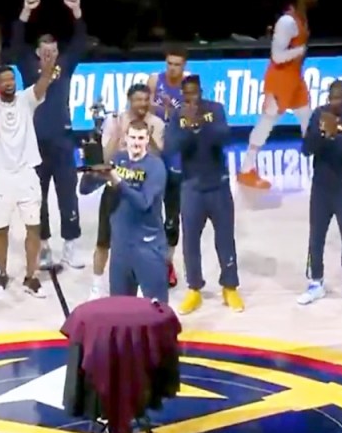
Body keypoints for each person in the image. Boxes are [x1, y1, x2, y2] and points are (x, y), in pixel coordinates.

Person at [9, 0, 87, 270]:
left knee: (68, 195)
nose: (49, 55)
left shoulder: (64, 67)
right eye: (44, 51)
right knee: (36, 197)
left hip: (63, 143)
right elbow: (16, 42)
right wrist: (24, 12)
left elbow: (80, 42)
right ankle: (43, 246)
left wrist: (77, 11)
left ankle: (70, 246)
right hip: (35, 145)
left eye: (53, 51)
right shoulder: (29, 68)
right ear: (37, 52)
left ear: (57, 52)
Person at [0, 53, 55, 296]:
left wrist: (47, 67)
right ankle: (2, 274)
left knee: (34, 227)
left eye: (11, 79)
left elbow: (43, 83)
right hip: (0, 175)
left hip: (27, 173)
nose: (9, 83)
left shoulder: (26, 100)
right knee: (1, 229)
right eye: (3, 80)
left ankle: (31, 277)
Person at [165, 75, 244, 315]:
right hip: (191, 187)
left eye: (195, 92)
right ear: (182, 94)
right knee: (190, 241)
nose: (192, 97)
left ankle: (229, 287)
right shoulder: (178, 117)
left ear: (201, 91)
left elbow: (223, 136)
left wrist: (199, 125)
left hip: (218, 185)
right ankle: (194, 289)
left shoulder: (215, 109)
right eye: (187, 93)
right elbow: (172, 146)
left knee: (225, 239)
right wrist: (188, 128)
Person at [240, 0, 319, 190]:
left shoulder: (301, 18)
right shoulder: (287, 21)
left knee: (308, 119)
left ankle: (322, 165)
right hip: (280, 80)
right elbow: (277, 56)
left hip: (295, 78)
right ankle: (246, 170)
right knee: (267, 123)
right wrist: (299, 51)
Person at [89, 84, 164, 299]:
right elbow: (106, 159)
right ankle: (97, 285)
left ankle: (140, 281)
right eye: (138, 99)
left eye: (146, 99)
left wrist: (146, 136)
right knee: (104, 241)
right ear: (130, 100)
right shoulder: (114, 122)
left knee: (141, 239)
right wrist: (118, 134)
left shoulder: (156, 123)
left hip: (143, 186)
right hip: (114, 189)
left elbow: (158, 157)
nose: (142, 103)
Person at [297, 80, 342, 313]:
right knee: (316, 236)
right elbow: (306, 149)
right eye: (331, 98)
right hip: (321, 188)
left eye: (339, 98)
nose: (334, 102)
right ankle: (315, 282)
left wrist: (335, 136)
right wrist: (321, 134)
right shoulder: (318, 115)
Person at [100, 120, 169, 302]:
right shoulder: (117, 160)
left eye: (140, 138)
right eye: (133, 137)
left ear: (147, 139)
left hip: (147, 247)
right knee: (120, 308)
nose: (136, 142)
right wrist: (92, 171)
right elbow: (84, 189)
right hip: (120, 248)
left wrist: (118, 181)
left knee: (157, 307)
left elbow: (144, 203)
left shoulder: (156, 166)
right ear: (126, 138)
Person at [148, 46, 188, 287]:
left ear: (184, 66)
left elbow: (190, 119)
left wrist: (167, 110)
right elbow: (144, 109)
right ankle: (148, 259)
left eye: (177, 64)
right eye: (169, 64)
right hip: (154, 152)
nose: (172, 68)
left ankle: (168, 263)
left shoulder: (189, 86)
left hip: (175, 154)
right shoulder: (155, 80)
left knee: (172, 214)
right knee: (149, 209)